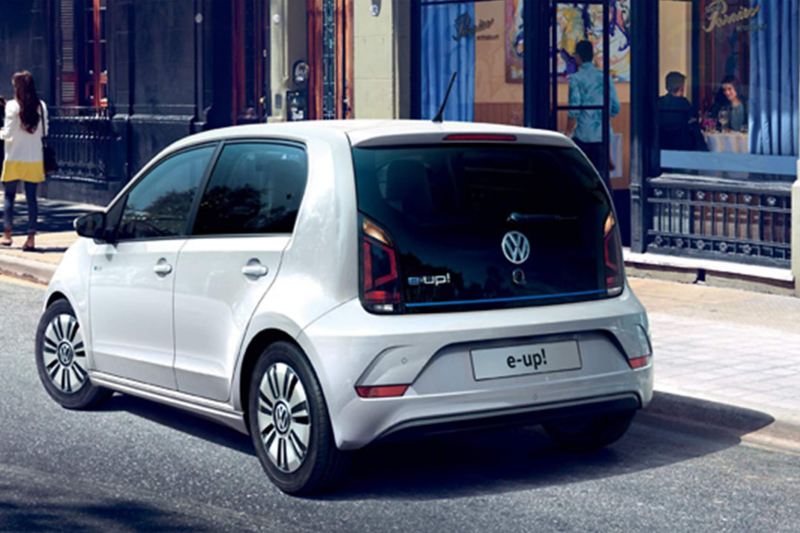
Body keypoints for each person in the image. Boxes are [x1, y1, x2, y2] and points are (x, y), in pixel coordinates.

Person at [1, 71, 47, 250]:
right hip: (34, 158)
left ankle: (7, 234)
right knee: (31, 199)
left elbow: (8, 133)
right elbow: (44, 132)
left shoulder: (12, 106)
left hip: (14, 157)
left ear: (18, 87)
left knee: (10, 196)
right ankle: (30, 238)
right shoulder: (41, 106)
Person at [565, 40, 620, 189]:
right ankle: (608, 210)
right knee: (603, 179)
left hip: (583, 135)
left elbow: (574, 109)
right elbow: (615, 107)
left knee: (582, 178)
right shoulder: (605, 77)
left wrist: (567, 132)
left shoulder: (576, 79)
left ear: (578, 57)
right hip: (603, 136)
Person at [658, 72, 696, 150]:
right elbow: (693, 127)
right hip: (683, 149)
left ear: (666, 87)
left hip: (662, 149)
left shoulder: (659, 102)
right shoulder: (684, 104)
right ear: (681, 87)